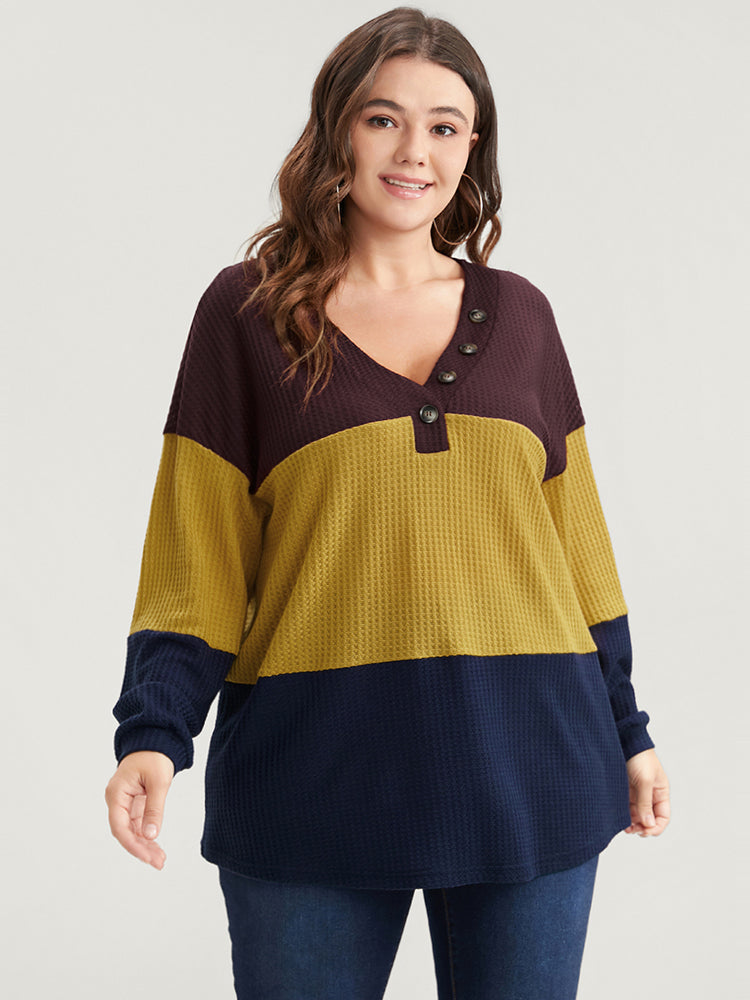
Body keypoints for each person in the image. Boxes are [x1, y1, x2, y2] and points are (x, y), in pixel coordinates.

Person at [105, 7, 670, 998]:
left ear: (473, 148)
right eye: (384, 119)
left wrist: (630, 728)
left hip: (531, 764)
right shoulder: (247, 315)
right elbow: (196, 556)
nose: (415, 151)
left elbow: (577, 548)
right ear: (338, 131)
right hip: (313, 778)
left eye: (445, 126)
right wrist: (154, 733)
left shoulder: (523, 317)